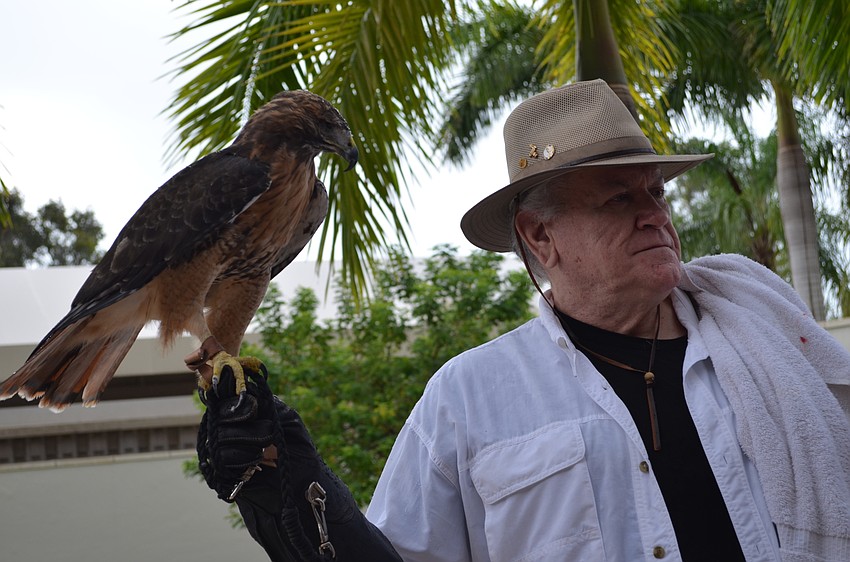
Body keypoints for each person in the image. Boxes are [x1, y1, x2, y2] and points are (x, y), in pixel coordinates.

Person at [196, 79, 850, 562]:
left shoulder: (765, 344)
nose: (654, 213)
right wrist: (291, 491)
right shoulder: (467, 398)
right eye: (619, 198)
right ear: (540, 237)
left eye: (655, 191)